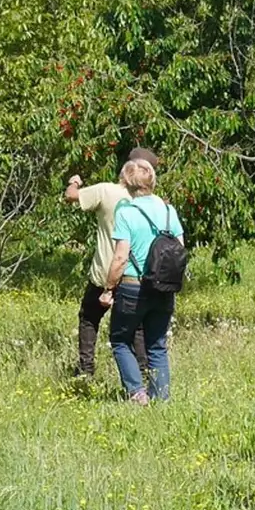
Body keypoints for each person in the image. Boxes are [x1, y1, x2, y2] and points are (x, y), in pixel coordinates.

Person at [64, 147, 156, 378]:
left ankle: (86, 369)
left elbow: (71, 196)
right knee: (136, 328)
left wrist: (74, 182)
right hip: (136, 274)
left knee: (89, 318)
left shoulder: (106, 191)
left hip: (105, 270)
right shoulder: (152, 203)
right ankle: (145, 373)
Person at [101, 158, 184, 404]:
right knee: (157, 344)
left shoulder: (127, 212)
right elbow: (179, 248)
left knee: (120, 339)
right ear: (152, 182)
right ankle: (162, 398)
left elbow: (119, 257)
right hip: (163, 287)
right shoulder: (169, 211)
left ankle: (137, 392)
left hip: (132, 287)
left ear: (126, 182)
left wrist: (108, 289)